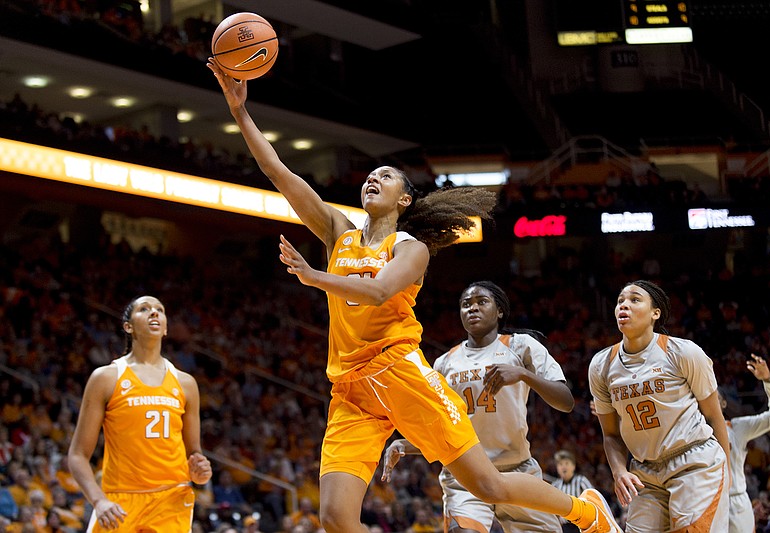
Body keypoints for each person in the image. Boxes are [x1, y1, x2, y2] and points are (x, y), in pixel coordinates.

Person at [208, 59, 623, 533]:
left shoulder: (411, 247)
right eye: (369, 175)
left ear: (404, 200)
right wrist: (240, 112)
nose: (372, 179)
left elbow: (380, 290)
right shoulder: (338, 232)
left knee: (488, 484)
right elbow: (277, 171)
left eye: (385, 177)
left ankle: (587, 512)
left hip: (398, 369)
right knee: (336, 517)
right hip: (351, 388)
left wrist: (314, 277)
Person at [382, 281, 573, 532]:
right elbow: (442, 431)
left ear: (500, 311)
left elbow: (566, 401)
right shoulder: (443, 363)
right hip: (465, 474)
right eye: (465, 304)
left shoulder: (519, 345)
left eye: (481, 302)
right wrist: (403, 445)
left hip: (516, 470)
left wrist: (523, 375)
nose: (472, 308)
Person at [588, 280, 730, 532]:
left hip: (694, 463)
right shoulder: (601, 365)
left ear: (656, 313)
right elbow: (610, 434)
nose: (624, 305)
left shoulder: (683, 352)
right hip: (645, 472)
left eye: (634, 300)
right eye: (620, 300)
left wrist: (728, 473)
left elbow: (714, 416)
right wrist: (619, 471)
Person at [67, 295, 213, 532]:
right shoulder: (106, 378)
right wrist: (99, 500)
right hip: (119, 501)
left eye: (160, 310)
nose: (154, 312)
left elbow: (194, 454)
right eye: (144, 309)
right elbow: (77, 455)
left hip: (172, 500)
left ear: (165, 328)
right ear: (128, 326)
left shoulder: (186, 384)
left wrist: (200, 473)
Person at [720, 354, 770, 533]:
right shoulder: (693, 431)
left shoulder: (737, 427)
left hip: (736, 502)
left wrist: (767, 380)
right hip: (708, 503)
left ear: (724, 403)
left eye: (715, 396)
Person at [552, 450, 596, 533]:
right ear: (557, 468)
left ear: (573, 466)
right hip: (564, 527)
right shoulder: (555, 485)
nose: (563, 467)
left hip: (581, 525)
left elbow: (594, 498)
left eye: (567, 463)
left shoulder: (581, 481)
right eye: (560, 464)